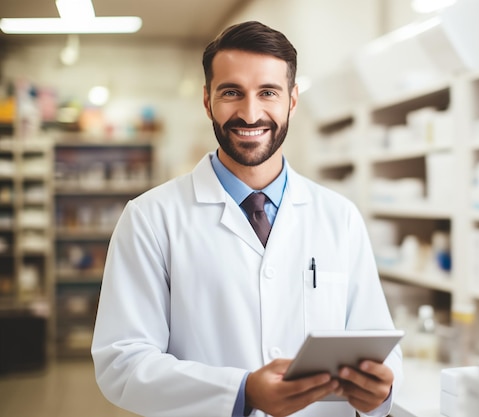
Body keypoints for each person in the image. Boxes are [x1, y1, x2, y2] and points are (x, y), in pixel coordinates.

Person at [91, 20, 403, 417]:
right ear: (207, 101)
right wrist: (241, 392)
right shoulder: (151, 218)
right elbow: (122, 364)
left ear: (292, 99)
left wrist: (381, 390)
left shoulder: (339, 217)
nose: (250, 113)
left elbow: (378, 341)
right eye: (231, 92)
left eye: (268, 92)